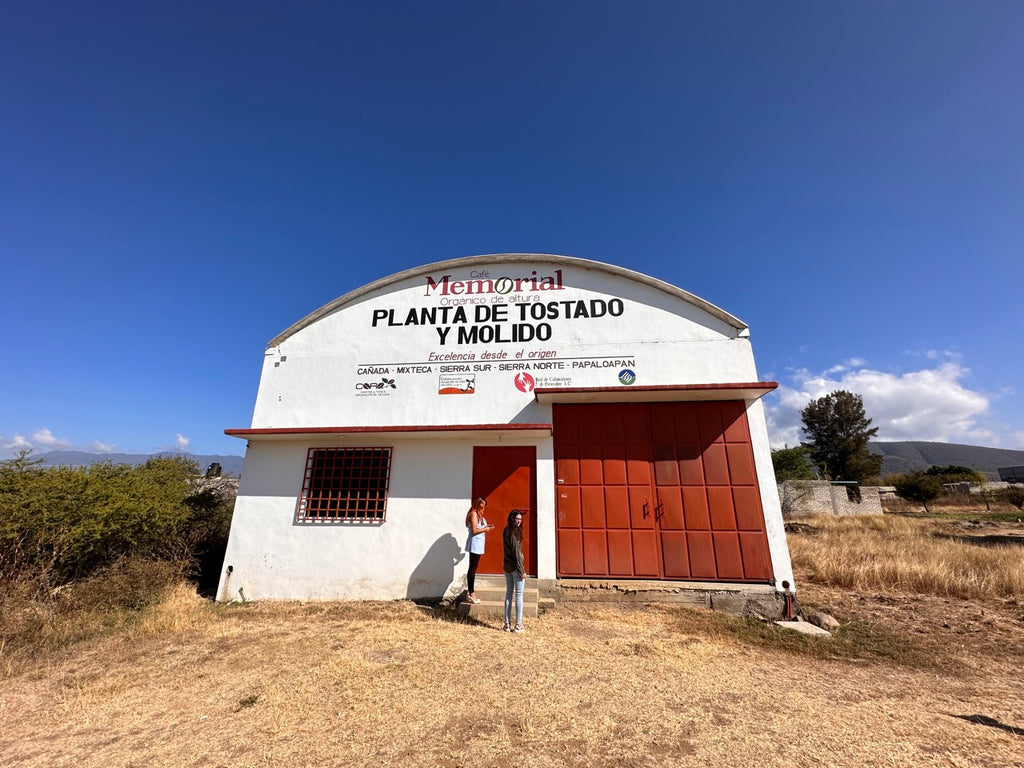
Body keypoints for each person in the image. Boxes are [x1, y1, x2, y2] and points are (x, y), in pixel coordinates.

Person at [464, 497, 493, 604]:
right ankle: (471, 592)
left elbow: (480, 528)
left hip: (479, 544)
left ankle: (471, 592)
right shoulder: (474, 514)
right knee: (472, 568)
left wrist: (487, 527)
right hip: (474, 544)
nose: (483, 508)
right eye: (481, 506)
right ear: (477, 505)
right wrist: (486, 529)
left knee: (474, 568)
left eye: (484, 506)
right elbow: (475, 530)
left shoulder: (480, 515)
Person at [502, 509, 526, 633]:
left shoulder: (506, 530)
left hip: (507, 567)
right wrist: (522, 570)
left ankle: (507, 624)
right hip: (516, 568)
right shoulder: (514, 533)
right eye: (517, 519)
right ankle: (518, 625)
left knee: (509, 594)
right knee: (519, 595)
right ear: (512, 518)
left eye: (520, 519)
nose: (518, 521)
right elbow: (517, 553)